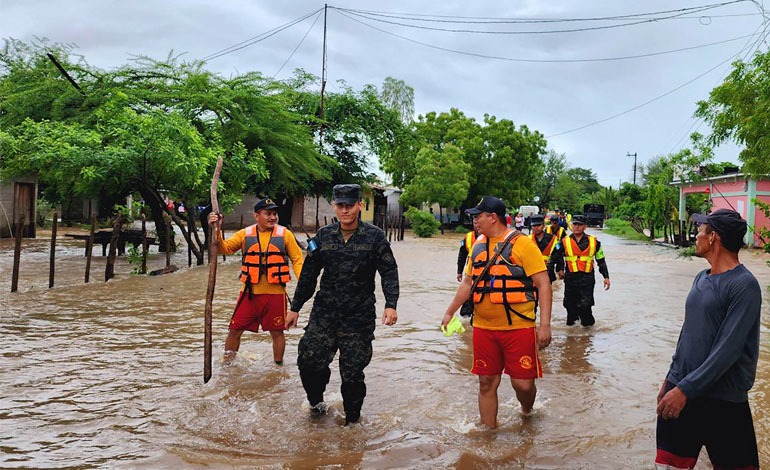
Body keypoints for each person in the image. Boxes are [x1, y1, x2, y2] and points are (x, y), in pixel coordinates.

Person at [655, 209, 761, 469]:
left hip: (723, 401)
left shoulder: (744, 285)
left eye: (701, 230)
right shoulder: (700, 278)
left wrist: (684, 390)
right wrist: (670, 379)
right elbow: (687, 334)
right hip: (681, 392)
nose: (696, 236)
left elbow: (728, 350)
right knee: (672, 465)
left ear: (714, 237)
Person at [288, 184, 399, 425]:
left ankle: (352, 423)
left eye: (350, 205)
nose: (345, 210)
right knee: (309, 361)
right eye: (341, 205)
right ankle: (317, 405)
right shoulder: (323, 237)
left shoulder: (375, 237)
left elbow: (389, 271)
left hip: (358, 317)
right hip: (324, 313)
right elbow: (309, 275)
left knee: (352, 375)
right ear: (334, 206)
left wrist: (391, 304)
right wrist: (295, 307)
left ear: (360, 205)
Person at [441, 196, 552, 429]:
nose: (474, 220)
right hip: (483, 328)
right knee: (486, 382)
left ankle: (527, 410)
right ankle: (488, 435)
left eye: (478, 216)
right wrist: (450, 312)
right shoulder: (478, 244)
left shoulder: (523, 244)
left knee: (522, 385)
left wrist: (545, 325)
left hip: (518, 328)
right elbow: (468, 283)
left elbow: (543, 283)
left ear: (493, 217)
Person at [208, 197, 304, 365]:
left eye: (274, 214)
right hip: (249, 294)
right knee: (234, 330)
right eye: (268, 214)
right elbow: (224, 248)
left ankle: (278, 367)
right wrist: (217, 229)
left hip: (275, 294)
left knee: (277, 332)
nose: (273, 217)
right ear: (257, 216)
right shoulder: (245, 234)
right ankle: (228, 366)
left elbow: (297, 259)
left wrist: (303, 281)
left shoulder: (285, 234)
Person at [552, 214, 609, 326]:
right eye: (575, 224)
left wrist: (606, 277)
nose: (576, 226)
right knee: (569, 305)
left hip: (586, 279)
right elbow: (555, 256)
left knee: (585, 305)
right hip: (570, 278)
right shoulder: (564, 241)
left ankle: (588, 334)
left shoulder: (594, 242)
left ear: (585, 227)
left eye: (580, 224)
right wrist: (559, 268)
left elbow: (601, 260)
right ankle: (572, 336)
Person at [528, 214, 563, 283]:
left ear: (543, 226)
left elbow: (559, 254)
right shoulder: (528, 240)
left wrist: (560, 268)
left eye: (539, 225)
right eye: (534, 226)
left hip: (548, 271)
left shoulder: (554, 239)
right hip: (532, 272)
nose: (536, 228)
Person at [456, 217, 480, 317]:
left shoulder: (492, 236)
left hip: (486, 273)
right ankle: (466, 315)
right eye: (474, 222)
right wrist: (459, 271)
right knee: (467, 293)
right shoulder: (468, 237)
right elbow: (462, 255)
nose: (477, 225)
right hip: (470, 272)